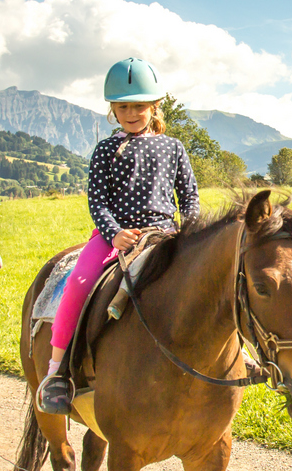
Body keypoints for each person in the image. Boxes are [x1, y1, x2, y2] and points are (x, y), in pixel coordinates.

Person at [35, 58, 199, 414]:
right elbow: (98, 200)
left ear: (154, 106)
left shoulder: (173, 148)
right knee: (78, 283)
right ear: (112, 109)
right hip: (115, 236)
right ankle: (57, 371)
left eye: (138, 106)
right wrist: (114, 234)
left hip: (166, 234)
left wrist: (188, 232)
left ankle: (237, 355)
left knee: (204, 282)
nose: (131, 113)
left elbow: (189, 197)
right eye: (123, 106)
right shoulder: (107, 150)